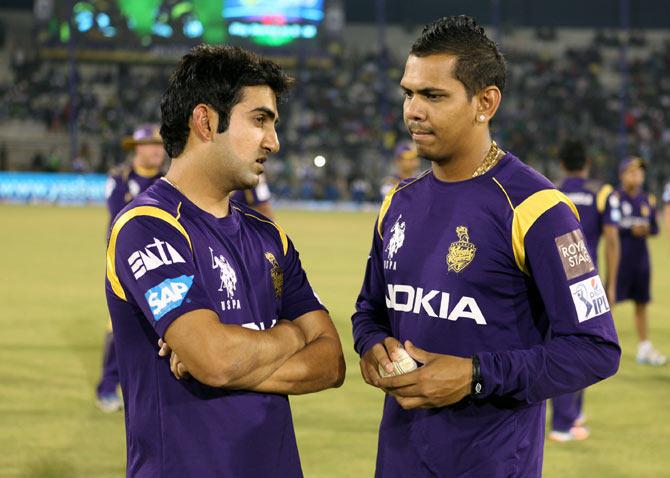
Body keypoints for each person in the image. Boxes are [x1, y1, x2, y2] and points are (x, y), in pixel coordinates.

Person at [351, 16, 620, 477]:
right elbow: (368, 311)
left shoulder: (537, 209)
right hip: (398, 460)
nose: (413, 110)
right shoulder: (398, 203)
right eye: (408, 93)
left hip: (492, 464)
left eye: (433, 95)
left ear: (485, 102)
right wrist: (372, 345)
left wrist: (476, 375)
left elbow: (595, 349)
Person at [105, 45, 345, 476]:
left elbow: (331, 363)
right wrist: (292, 334)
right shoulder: (148, 226)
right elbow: (214, 358)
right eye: (259, 120)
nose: (274, 141)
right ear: (205, 121)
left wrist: (227, 360)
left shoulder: (270, 237)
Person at [548, 140, 621, 442]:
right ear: (587, 162)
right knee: (581, 347)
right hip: (586, 281)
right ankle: (562, 426)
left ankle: (573, 415)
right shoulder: (601, 193)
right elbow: (613, 239)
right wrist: (611, 283)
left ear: (562, 165)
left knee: (564, 344)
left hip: (553, 281)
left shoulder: (549, 192)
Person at [96, 123, 165, 412]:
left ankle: (148, 389)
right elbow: (117, 223)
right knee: (120, 326)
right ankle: (107, 388)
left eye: (160, 144)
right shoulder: (120, 179)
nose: (157, 150)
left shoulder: (170, 180)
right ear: (137, 148)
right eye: (150, 144)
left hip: (162, 262)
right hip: (127, 262)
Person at [611, 157, 665, 366]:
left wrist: (648, 230)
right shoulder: (615, 198)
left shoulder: (647, 200)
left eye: (639, 172)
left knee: (642, 303)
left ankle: (644, 347)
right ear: (622, 175)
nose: (637, 176)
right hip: (620, 261)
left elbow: (655, 228)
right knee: (610, 302)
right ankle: (601, 342)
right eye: (632, 172)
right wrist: (629, 230)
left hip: (641, 261)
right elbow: (611, 228)